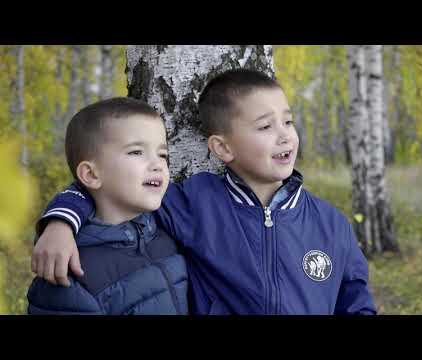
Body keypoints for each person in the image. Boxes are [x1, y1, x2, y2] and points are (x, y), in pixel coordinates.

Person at [31, 69, 376, 315]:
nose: (285, 135)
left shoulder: (331, 224)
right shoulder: (192, 203)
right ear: (222, 148)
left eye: (288, 121)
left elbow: (356, 299)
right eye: (265, 126)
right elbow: (108, 185)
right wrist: (61, 222)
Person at [27, 97, 189, 315]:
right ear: (92, 174)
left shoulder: (165, 231)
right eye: (136, 152)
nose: (158, 164)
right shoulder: (70, 272)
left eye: (163, 154)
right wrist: (58, 225)